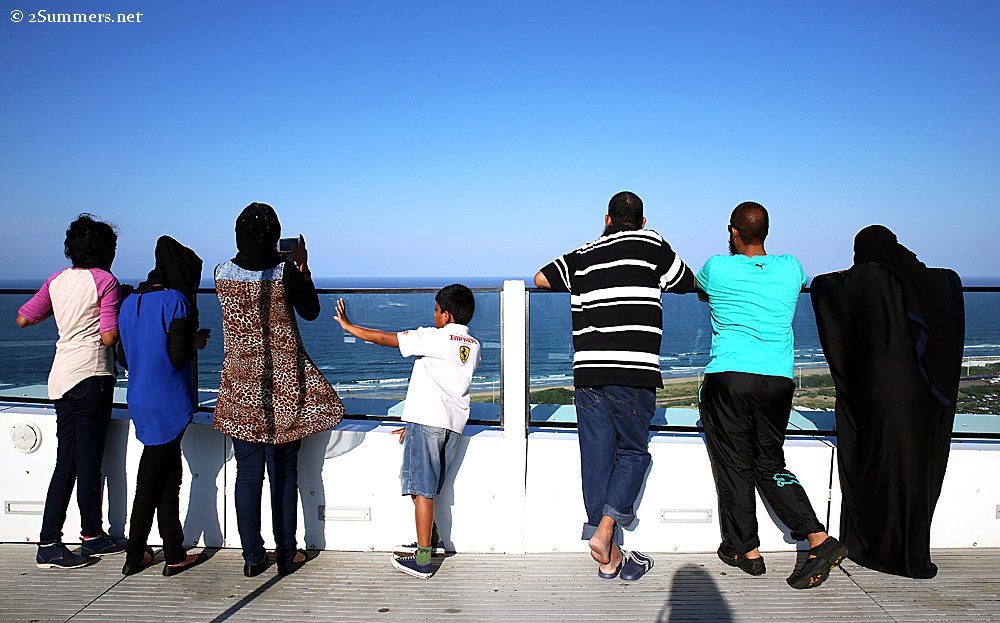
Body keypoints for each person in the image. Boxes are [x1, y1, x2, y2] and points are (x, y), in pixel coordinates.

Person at [534, 191, 695, 581]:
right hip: (633, 372)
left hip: (588, 373)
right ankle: (606, 532)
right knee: (634, 453)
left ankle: (610, 559)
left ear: (607, 219)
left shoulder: (583, 254)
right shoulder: (651, 244)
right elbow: (687, 281)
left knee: (596, 460)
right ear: (640, 221)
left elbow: (540, 278)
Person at [696, 201, 846, 589]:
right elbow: (796, 284)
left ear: (733, 232)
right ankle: (816, 536)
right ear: (765, 232)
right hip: (777, 382)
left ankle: (747, 551)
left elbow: (702, 293)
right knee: (770, 464)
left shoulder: (717, 266)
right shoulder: (791, 267)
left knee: (735, 465)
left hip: (729, 378)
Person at [810, 225, 964, 579]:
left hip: (879, 396)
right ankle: (911, 551)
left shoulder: (864, 279)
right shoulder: (930, 280)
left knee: (877, 466)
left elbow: (822, 287)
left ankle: (872, 545)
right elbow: (950, 281)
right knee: (914, 470)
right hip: (923, 395)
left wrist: (845, 274)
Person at [214, 202, 345, 577]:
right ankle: (287, 554)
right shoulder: (284, 271)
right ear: (274, 235)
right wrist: (301, 266)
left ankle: (253, 557)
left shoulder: (221, 271)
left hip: (239, 388)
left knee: (248, 474)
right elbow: (310, 311)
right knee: (285, 474)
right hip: (284, 387)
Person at [333, 284, 481, 579]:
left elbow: (385, 339)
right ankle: (431, 539)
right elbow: (444, 384)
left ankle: (423, 559)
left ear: (446, 314)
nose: (434, 314)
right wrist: (412, 421)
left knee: (421, 490)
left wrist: (348, 326)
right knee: (428, 487)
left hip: (427, 423)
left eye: (436, 310)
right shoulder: (473, 345)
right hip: (450, 425)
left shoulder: (433, 337)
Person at [16, 214, 128, 568]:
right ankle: (59, 540)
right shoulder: (106, 281)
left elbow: (24, 318)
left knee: (71, 459)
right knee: (83, 461)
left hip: (60, 377)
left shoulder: (57, 279)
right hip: (92, 374)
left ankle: (84, 535)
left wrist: (66, 315)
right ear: (103, 250)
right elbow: (109, 336)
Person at [117, 236, 209, 576]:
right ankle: (135, 552)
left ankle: (173, 551)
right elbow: (178, 354)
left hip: (139, 398)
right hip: (169, 402)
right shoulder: (176, 302)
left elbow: (123, 355)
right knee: (152, 482)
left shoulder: (127, 302)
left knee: (168, 475)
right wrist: (196, 340)